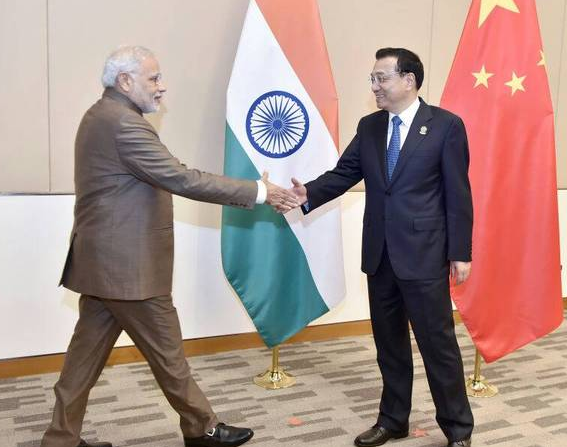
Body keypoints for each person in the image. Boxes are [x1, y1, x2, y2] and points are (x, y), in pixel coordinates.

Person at [41, 45, 297, 447]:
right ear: (125, 81)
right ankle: (202, 428)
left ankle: (61, 438)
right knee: (168, 354)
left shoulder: (101, 115)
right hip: (128, 270)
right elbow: (182, 178)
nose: (162, 86)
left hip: (103, 265)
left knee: (82, 361)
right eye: (154, 78)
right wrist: (259, 191)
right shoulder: (123, 124)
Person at [290, 48, 473, 447]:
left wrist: (460, 252)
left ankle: (458, 429)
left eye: (381, 78)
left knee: (438, 346)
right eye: (372, 79)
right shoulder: (370, 126)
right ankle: (393, 420)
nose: (374, 86)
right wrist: (308, 194)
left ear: (409, 80)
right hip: (380, 254)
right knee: (389, 346)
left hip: (424, 254)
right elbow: (344, 173)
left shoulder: (445, 126)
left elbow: (458, 194)